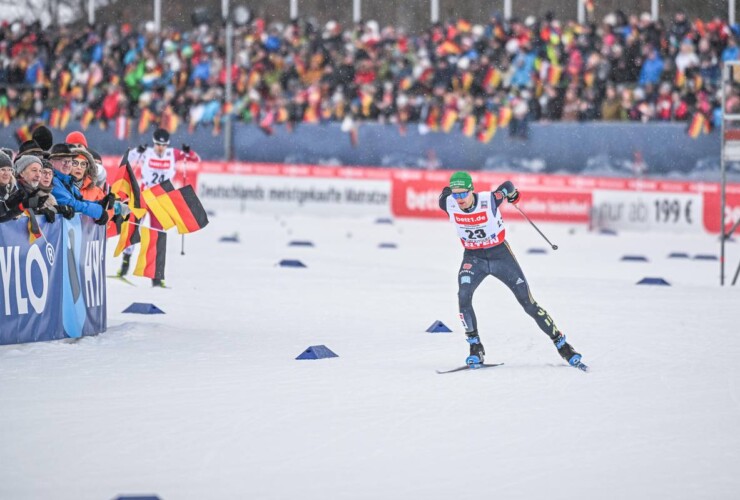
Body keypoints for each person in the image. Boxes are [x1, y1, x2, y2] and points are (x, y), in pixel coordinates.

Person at [438, 171, 587, 370]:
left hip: (500, 255)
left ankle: (562, 345)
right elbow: (444, 194)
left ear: (471, 190)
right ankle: (475, 348)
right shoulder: (448, 202)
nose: (459, 199)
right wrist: (451, 191)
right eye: (455, 195)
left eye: (463, 194)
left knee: (528, 303)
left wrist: (514, 194)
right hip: (473, 258)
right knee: (463, 295)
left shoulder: (489, 200)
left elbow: (506, 186)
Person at [119, 128, 200, 287]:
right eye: (157, 144)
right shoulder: (147, 152)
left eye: (163, 145)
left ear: (167, 144)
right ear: (154, 143)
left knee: (157, 236)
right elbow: (127, 158)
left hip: (161, 200)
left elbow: (196, 159)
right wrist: (137, 150)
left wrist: (188, 151)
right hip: (143, 195)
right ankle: (124, 266)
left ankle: (155, 277)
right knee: (133, 228)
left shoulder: (173, 154)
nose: (160, 148)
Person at [48, 143, 111, 225]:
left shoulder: (67, 181)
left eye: (70, 161)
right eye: (64, 161)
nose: (67, 164)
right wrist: (98, 211)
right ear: (52, 162)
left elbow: (80, 200)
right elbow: (70, 203)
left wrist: (100, 204)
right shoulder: (52, 180)